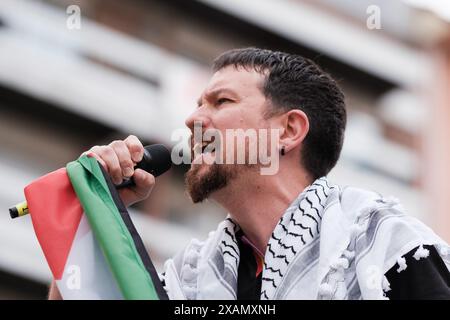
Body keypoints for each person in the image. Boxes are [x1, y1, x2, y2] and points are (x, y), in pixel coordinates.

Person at [49, 48, 450, 300]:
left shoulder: (387, 246)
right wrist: (94, 211)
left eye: (221, 101)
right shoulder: (190, 277)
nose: (191, 119)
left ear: (288, 131)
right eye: (197, 104)